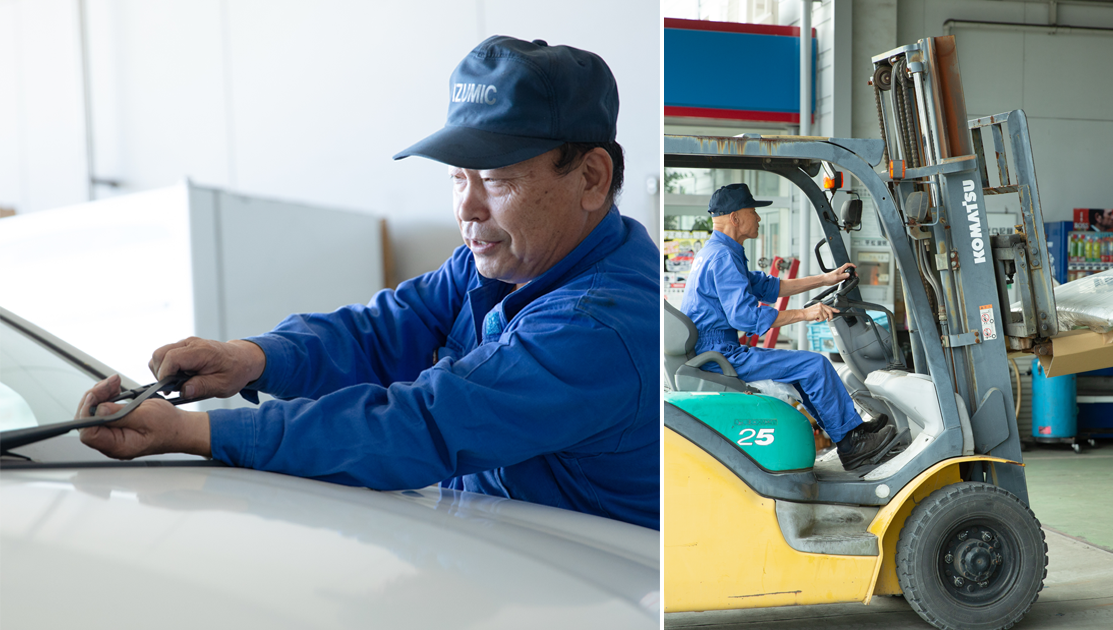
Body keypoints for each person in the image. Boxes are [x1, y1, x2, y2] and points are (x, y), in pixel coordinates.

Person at [70, 36, 661, 530]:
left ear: (590, 177)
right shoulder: (501, 264)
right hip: (500, 564)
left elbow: (421, 424)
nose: (468, 209)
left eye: (497, 180)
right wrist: (251, 358)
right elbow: (381, 332)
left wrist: (195, 432)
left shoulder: (600, 324)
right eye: (458, 178)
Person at [685, 183, 899, 470]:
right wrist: (805, 314)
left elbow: (771, 286)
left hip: (715, 350)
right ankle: (851, 443)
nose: (759, 218)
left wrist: (826, 279)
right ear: (736, 218)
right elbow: (745, 318)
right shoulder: (723, 257)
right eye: (753, 211)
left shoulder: (717, 251)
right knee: (815, 365)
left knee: (805, 371)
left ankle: (849, 433)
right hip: (719, 354)